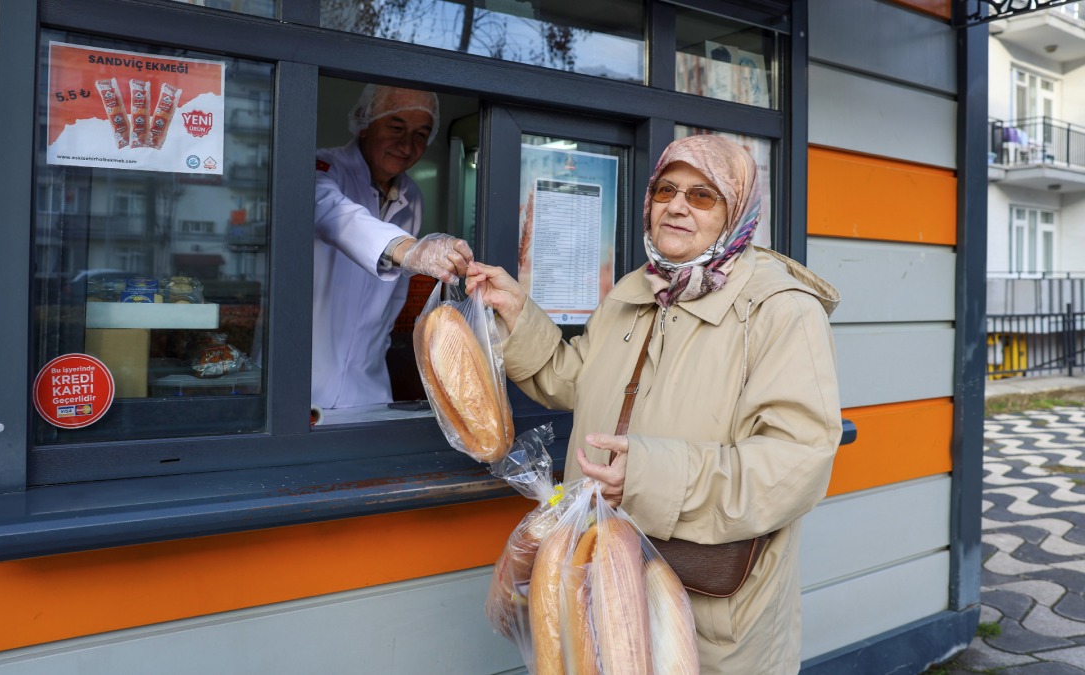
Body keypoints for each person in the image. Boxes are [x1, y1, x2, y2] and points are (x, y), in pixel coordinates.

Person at [467, 134, 841, 673]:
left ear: (737, 210)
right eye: (666, 190)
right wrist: (518, 314)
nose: (678, 205)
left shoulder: (782, 311)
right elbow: (572, 381)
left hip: (706, 619)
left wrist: (648, 476)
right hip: (599, 587)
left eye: (703, 195)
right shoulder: (635, 290)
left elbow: (796, 462)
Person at [312, 84, 473, 409]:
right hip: (302, 383)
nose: (406, 144)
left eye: (420, 134)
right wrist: (410, 250)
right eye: (396, 127)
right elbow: (332, 213)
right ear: (364, 123)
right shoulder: (322, 168)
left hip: (368, 388)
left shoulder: (411, 196)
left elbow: (393, 301)